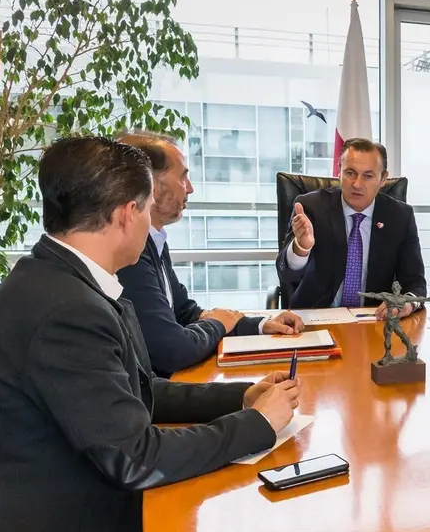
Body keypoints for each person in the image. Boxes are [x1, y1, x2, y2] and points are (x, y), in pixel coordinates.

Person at [0, 136, 302, 532]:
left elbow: (140, 393)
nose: (150, 223)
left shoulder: (65, 281)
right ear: (125, 213)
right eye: (145, 210)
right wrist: (258, 427)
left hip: (58, 514)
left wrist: (241, 397)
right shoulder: (66, 311)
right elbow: (134, 459)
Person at [116, 131, 305, 377]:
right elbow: (171, 349)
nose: (191, 188)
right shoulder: (131, 253)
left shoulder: (155, 240)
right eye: (183, 178)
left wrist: (259, 324)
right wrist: (218, 323)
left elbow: (184, 312)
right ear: (150, 184)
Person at [277, 138, 427, 317]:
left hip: (373, 319)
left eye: (368, 176)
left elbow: (415, 283)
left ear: (383, 179)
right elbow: (286, 275)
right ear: (339, 172)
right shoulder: (311, 207)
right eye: (350, 173)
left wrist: (406, 302)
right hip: (314, 317)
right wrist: (301, 248)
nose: (357, 184)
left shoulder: (400, 216)